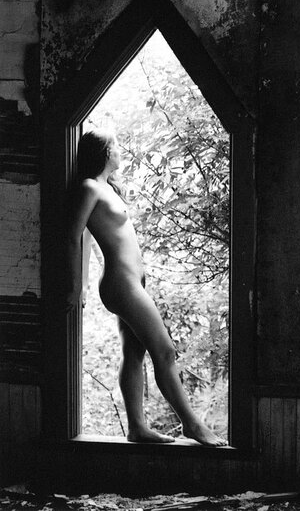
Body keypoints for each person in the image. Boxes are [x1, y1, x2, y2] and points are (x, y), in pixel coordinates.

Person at [65, 128, 227, 447]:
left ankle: (137, 428)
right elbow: (74, 237)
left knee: (134, 353)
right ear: (104, 153)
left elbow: (84, 238)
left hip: (132, 283)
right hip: (121, 284)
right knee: (165, 351)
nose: (119, 151)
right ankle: (192, 425)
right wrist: (76, 286)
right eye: (115, 146)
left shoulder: (107, 188)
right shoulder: (89, 187)